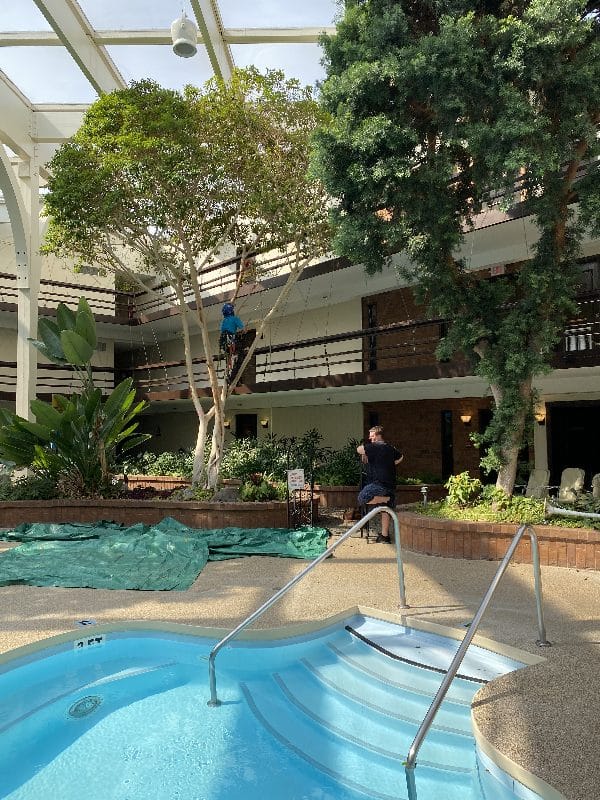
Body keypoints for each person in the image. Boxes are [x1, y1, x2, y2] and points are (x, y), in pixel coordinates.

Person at [357, 425, 403, 543]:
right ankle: (384, 536)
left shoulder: (375, 447)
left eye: (372, 436)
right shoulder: (390, 448)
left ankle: (388, 499)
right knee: (385, 510)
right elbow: (400, 457)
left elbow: (359, 449)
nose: (370, 439)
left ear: (378, 436)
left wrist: (367, 449)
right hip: (390, 485)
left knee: (362, 498)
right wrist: (390, 463)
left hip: (379, 484)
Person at [219, 302, 245, 377]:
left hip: (223, 341)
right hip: (230, 340)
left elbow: (223, 330)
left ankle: (228, 373)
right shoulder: (235, 319)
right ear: (231, 311)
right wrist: (243, 330)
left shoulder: (223, 321)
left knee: (229, 356)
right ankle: (232, 374)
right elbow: (243, 329)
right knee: (237, 354)